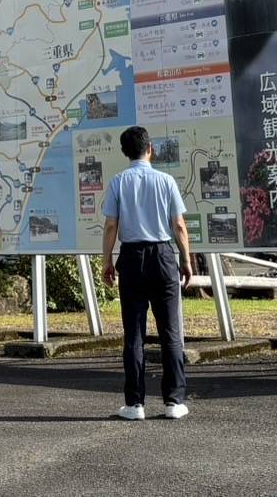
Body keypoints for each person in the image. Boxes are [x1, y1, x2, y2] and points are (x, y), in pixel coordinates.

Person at [101, 125, 193, 420]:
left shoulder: (118, 182)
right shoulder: (166, 181)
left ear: (125, 152)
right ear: (150, 148)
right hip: (163, 255)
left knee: (134, 334)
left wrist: (107, 260)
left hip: (131, 256)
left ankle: (135, 404)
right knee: (170, 332)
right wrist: (187, 259)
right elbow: (178, 225)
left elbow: (111, 225)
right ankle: (174, 401)